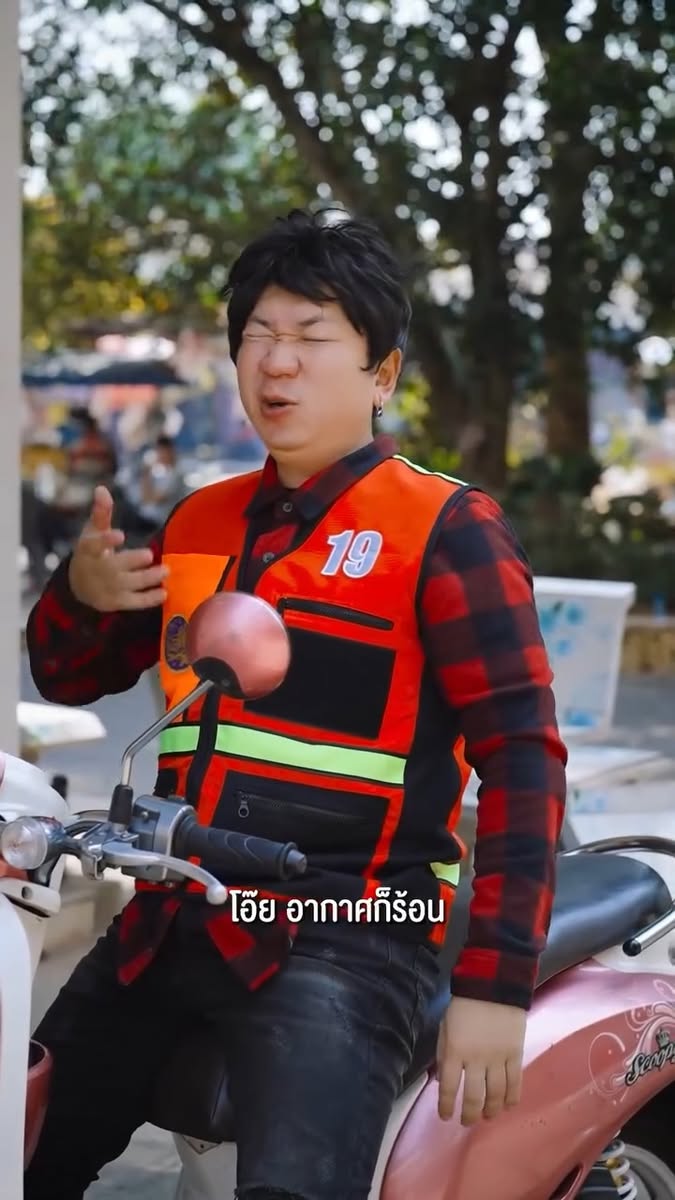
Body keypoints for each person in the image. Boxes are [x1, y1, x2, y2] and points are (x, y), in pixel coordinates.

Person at [25, 209, 567, 1200]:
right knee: (17, 1146)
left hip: (349, 933)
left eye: (312, 337)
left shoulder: (446, 529)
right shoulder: (200, 519)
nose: (278, 363)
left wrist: (495, 987)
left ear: (382, 373)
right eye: (258, 336)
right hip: (174, 914)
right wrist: (82, 594)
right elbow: (66, 676)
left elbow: (525, 761)